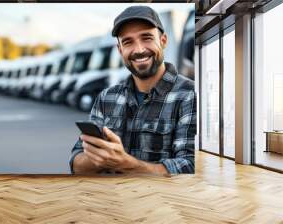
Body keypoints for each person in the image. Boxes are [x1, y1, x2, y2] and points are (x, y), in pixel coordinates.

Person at [69, 6, 196, 175]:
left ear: (163, 41)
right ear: (120, 50)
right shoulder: (106, 98)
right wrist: (99, 159)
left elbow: (191, 167)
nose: (139, 49)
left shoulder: (190, 95)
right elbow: (76, 164)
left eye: (147, 38)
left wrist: (124, 163)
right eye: (128, 42)